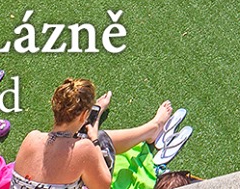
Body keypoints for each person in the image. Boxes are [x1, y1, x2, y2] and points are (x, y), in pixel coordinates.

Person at [11, 79, 174, 189]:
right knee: (101, 140)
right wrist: (94, 139)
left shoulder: (31, 138)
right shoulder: (84, 150)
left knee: (82, 140)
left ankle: (147, 128)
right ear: (83, 115)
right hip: (86, 147)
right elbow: (103, 186)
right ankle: (152, 128)